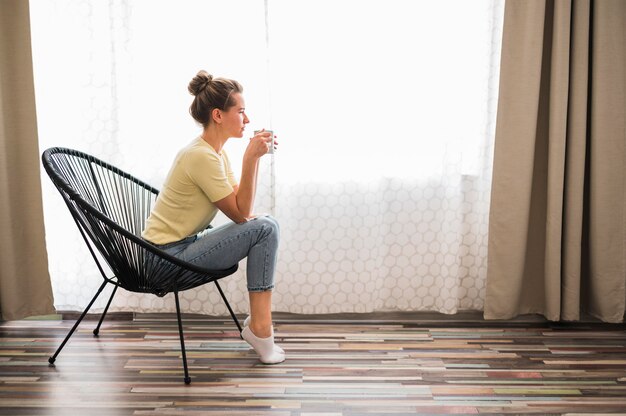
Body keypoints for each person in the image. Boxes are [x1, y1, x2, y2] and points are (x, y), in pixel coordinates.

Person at [142, 70, 284, 364]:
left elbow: (242, 208)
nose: (246, 120)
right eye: (241, 111)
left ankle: (260, 326)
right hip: (164, 260)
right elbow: (241, 214)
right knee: (265, 228)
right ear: (218, 115)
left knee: (267, 224)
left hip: (181, 248)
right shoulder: (201, 156)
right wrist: (251, 157)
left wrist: (252, 159)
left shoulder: (216, 154)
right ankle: (260, 328)